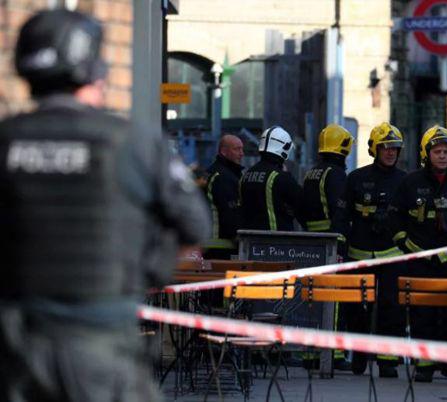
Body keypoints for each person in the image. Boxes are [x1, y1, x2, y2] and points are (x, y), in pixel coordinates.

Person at [0, 9, 211, 402]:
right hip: (100, 347)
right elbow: (195, 226)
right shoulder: (131, 142)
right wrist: (148, 264)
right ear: (94, 73)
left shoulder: (6, 141)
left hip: (14, 349)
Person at [389, 125, 447, 383]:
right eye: (438, 151)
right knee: (422, 311)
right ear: (426, 153)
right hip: (421, 256)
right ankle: (424, 364)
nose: (443, 156)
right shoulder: (410, 182)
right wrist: (404, 242)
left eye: (446, 151)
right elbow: (395, 216)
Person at [331, 122, 406, 377]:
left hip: (392, 256)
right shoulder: (356, 178)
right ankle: (359, 354)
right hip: (359, 253)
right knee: (356, 309)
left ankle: (387, 361)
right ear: (375, 148)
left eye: (394, 148)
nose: (390, 152)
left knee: (391, 308)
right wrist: (342, 240)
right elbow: (341, 214)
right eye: (385, 147)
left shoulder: (405, 180)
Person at [238, 126, 303, 231]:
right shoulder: (280, 177)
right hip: (274, 243)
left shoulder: (246, 175)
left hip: (249, 242)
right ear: (284, 148)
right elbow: (302, 202)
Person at [303, 124, 353, 233]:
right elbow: (339, 210)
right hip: (329, 236)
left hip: (310, 236)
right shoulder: (335, 173)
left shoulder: (310, 172)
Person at [204, 134, 245, 258]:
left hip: (216, 245)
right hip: (220, 248)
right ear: (223, 151)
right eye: (237, 149)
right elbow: (230, 215)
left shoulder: (221, 173)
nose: (241, 153)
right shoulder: (222, 177)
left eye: (242, 149)